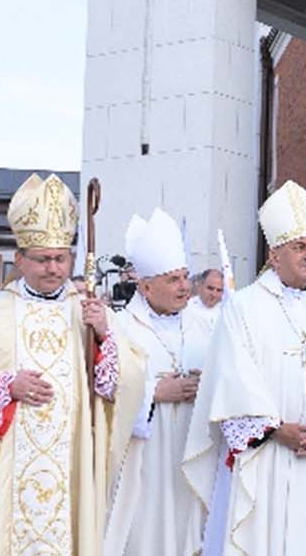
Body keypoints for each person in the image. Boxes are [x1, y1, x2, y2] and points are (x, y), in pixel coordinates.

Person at [182, 181, 306, 556]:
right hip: (266, 457)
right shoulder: (244, 308)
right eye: (298, 247)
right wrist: (275, 429)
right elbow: (234, 377)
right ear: (274, 255)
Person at [0, 173, 145, 556]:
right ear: (20, 259)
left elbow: (126, 381)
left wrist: (104, 338)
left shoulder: (88, 312)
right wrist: (3, 386)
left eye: (61, 259)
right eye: (43, 259)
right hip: (4, 467)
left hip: (69, 464)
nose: (53, 268)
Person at [104, 208, 211, 556]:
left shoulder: (204, 327)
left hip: (193, 453)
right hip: (143, 462)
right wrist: (152, 393)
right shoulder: (120, 328)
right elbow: (103, 394)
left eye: (185, 277)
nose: (184, 287)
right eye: (173, 280)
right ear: (146, 286)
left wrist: (207, 382)